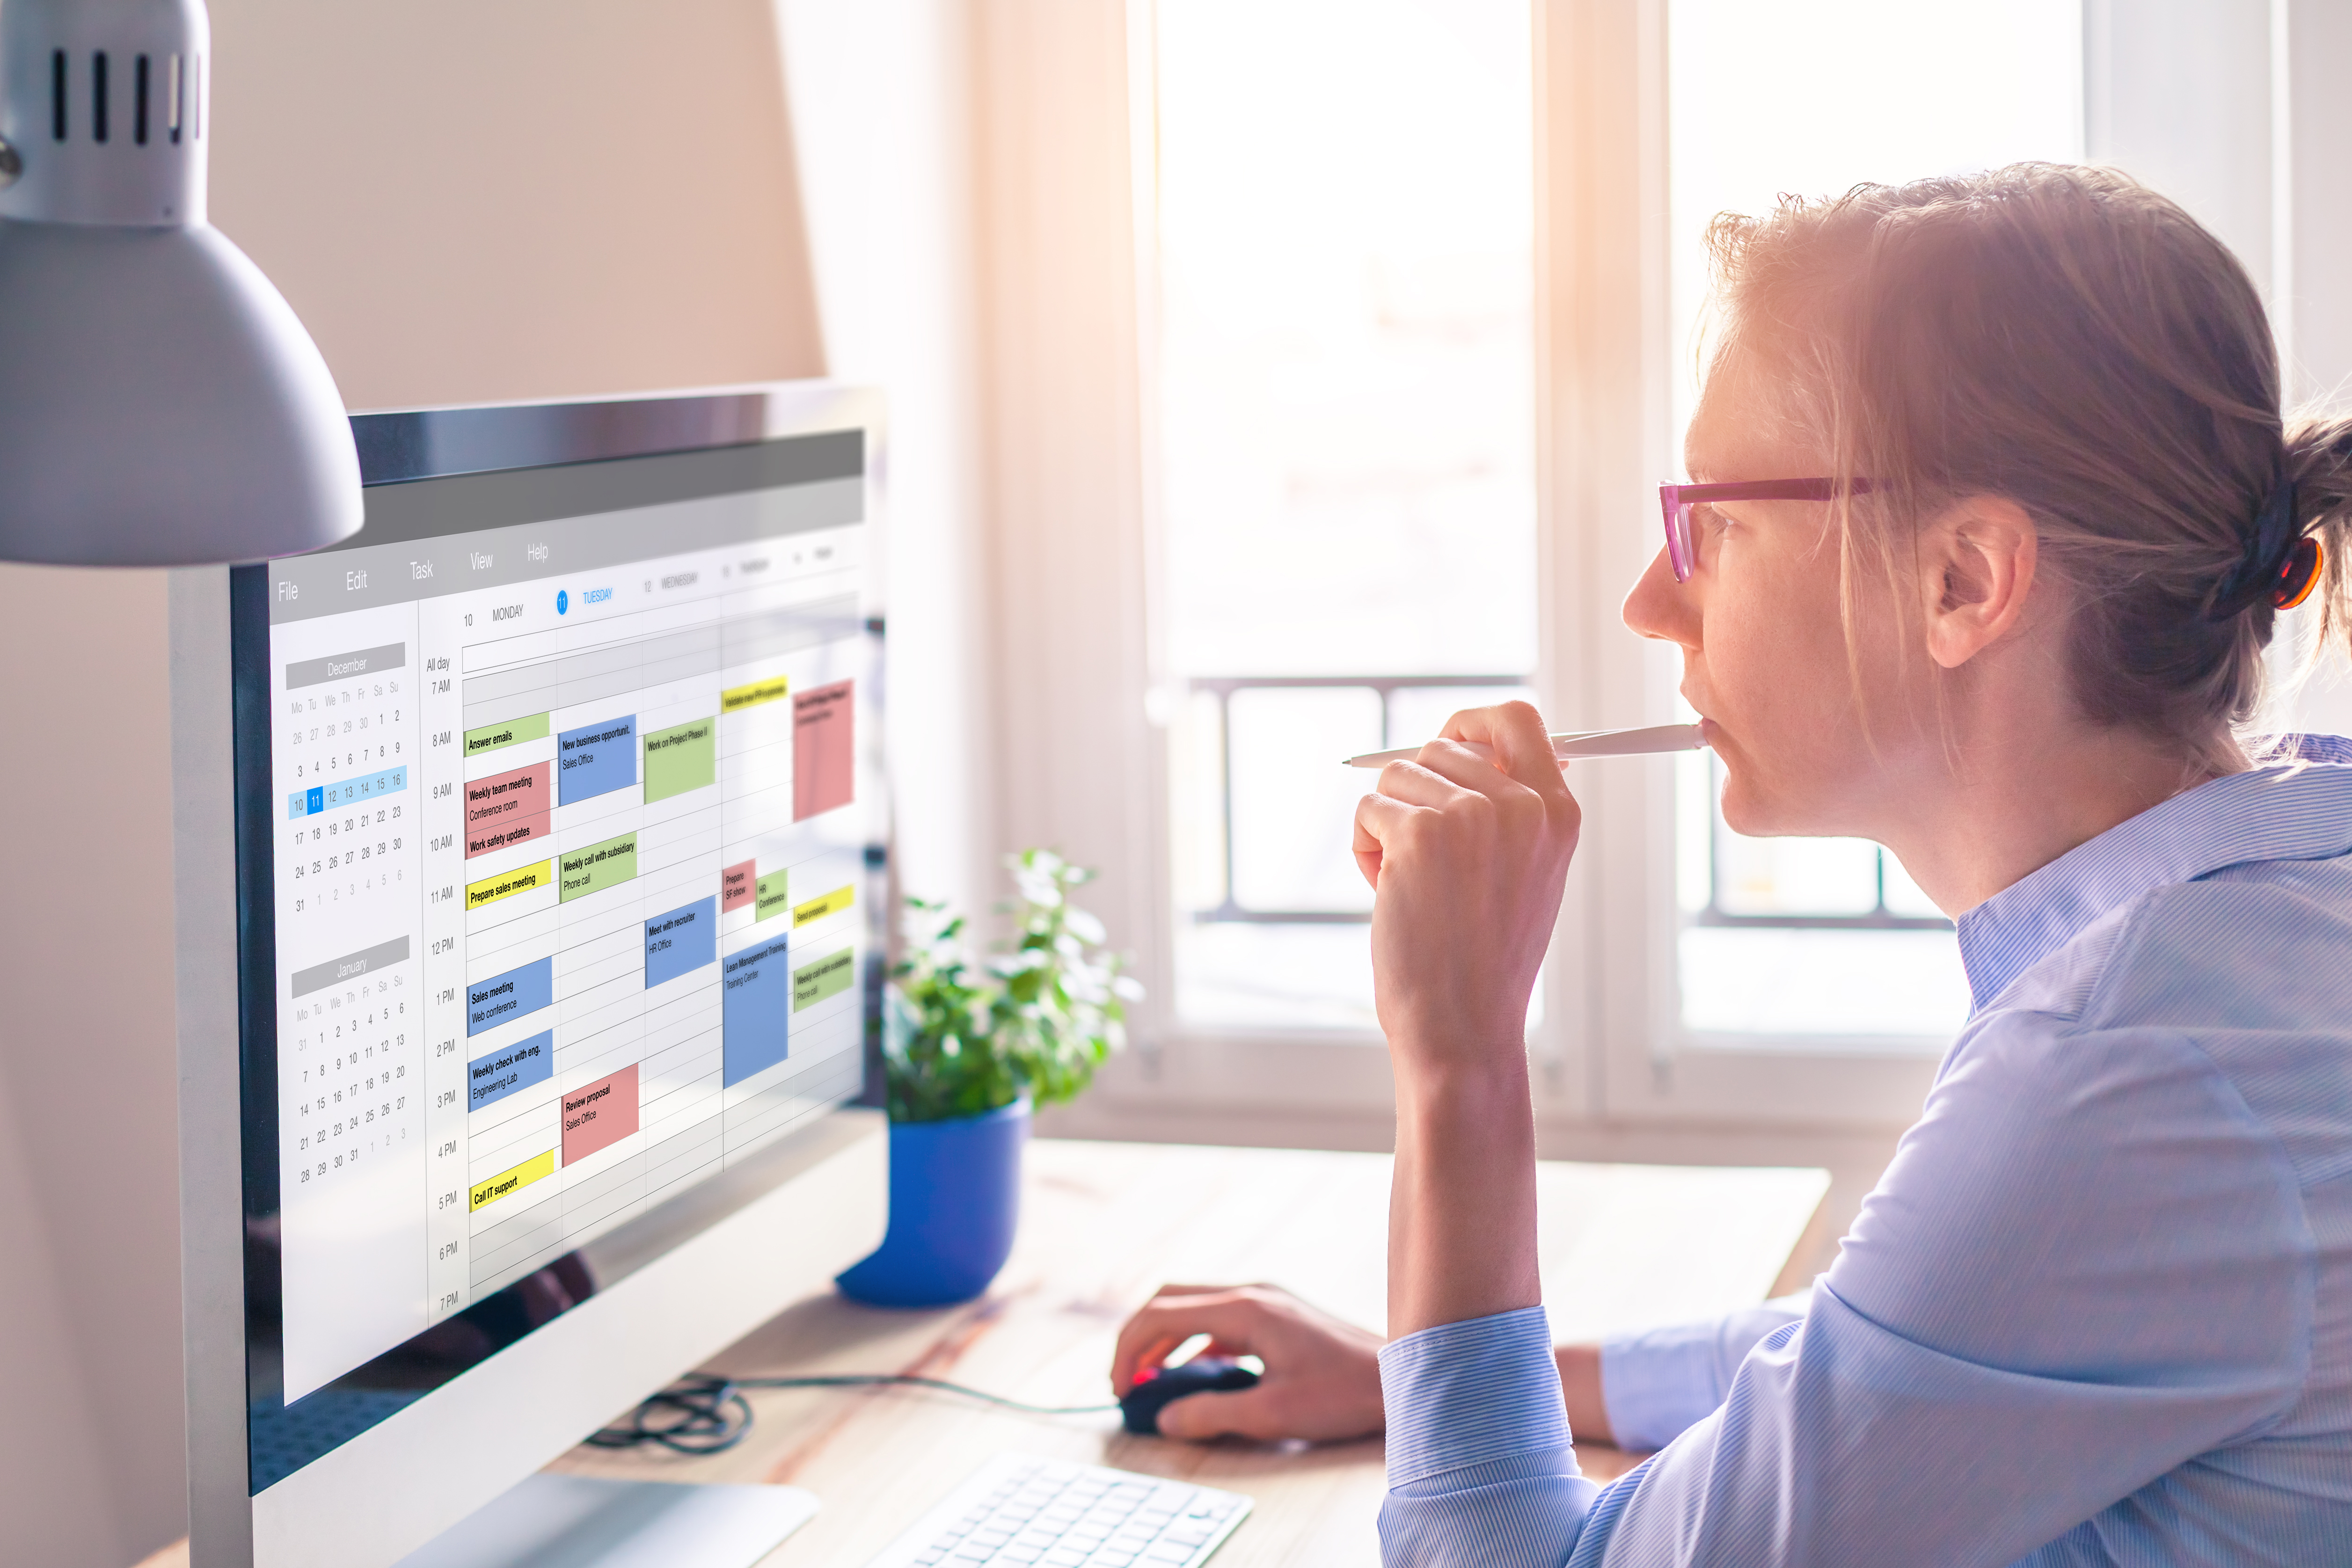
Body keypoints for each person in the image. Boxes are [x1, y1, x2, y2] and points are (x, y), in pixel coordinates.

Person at [1108, 164, 2352, 1564]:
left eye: (1714, 525)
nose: (1651, 602)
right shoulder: (2274, 915)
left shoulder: (2127, 1067)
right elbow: (1906, 1352)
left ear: (1964, 580)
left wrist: (1457, 1059)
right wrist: (1423, 1377)